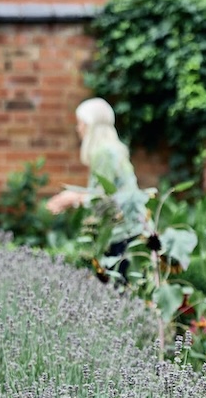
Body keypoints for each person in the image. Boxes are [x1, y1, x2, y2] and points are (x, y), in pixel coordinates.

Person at [47, 97, 147, 279]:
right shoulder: (114, 149)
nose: (78, 129)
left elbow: (103, 199)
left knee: (117, 290)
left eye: (80, 123)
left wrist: (72, 198)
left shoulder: (103, 153)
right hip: (133, 230)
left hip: (121, 234)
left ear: (89, 125)